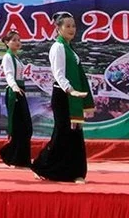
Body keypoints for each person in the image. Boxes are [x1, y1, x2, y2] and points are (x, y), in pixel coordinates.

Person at [32, 12, 94, 184]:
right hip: (63, 94)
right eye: (67, 26)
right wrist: (70, 90)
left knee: (75, 134)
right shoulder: (58, 47)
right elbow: (58, 74)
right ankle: (41, 166)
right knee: (62, 134)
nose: (71, 29)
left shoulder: (70, 48)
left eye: (73, 26)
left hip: (72, 95)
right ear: (58, 28)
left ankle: (76, 172)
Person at [0, 30, 33, 168]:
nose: (18, 42)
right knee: (20, 126)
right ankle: (16, 159)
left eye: (19, 40)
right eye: (14, 40)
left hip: (20, 90)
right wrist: (14, 87)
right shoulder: (8, 57)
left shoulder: (16, 57)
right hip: (14, 91)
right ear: (7, 43)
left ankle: (17, 157)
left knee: (26, 127)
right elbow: (8, 74)